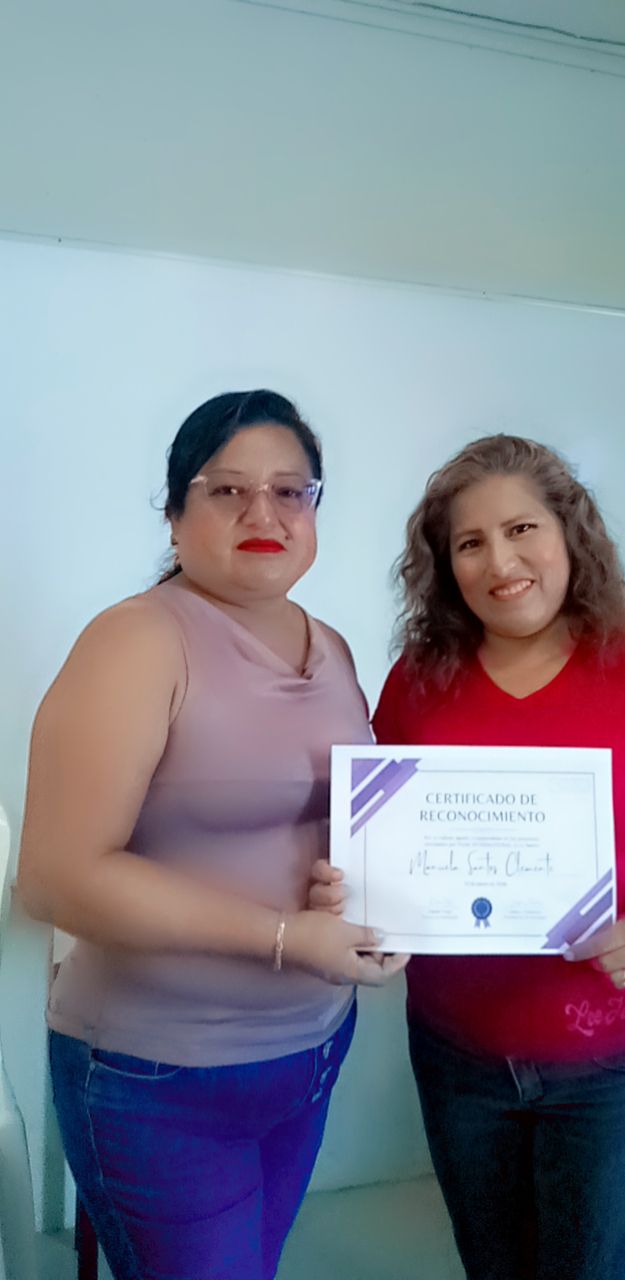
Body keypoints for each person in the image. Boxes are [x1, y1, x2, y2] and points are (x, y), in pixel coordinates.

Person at [312, 434, 625, 1280]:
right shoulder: (418, 681)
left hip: (612, 1064)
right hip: (457, 1056)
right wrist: (352, 898)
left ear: (571, 534)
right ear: (446, 566)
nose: (500, 562)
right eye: (470, 542)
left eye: (522, 529)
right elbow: (382, 841)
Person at [18, 390, 406, 1280]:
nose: (263, 514)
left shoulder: (333, 647)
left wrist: (372, 896)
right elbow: (55, 876)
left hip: (312, 1049)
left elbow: (329, 819)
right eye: (226, 490)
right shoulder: (137, 641)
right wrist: (286, 935)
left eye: (290, 491)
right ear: (174, 513)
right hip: (159, 1073)